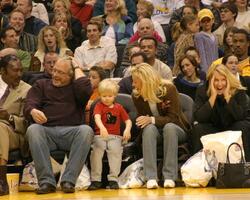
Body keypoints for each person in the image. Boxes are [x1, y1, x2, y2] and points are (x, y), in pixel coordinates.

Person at [24, 56, 94, 194]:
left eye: (61, 73)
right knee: (33, 129)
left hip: (71, 133)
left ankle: (68, 180)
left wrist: (76, 66)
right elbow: (29, 103)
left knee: (86, 130)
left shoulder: (77, 88)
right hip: (46, 132)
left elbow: (86, 90)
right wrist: (33, 111)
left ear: (71, 75)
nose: (55, 75)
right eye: (54, 71)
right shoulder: (41, 84)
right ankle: (46, 182)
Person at [131, 63, 190, 189]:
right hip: (156, 132)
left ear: (145, 80)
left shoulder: (168, 89)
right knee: (149, 128)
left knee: (169, 127)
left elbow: (173, 118)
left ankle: (169, 177)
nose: (133, 85)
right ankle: (151, 177)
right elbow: (144, 120)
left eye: (136, 82)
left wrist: (151, 119)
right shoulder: (137, 95)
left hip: (176, 129)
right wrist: (143, 121)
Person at [192, 64, 250, 161]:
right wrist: (213, 97)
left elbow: (241, 116)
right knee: (198, 129)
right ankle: (199, 166)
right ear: (210, 80)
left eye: (223, 80)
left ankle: (246, 165)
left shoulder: (237, 89)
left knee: (244, 126)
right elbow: (199, 117)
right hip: (212, 126)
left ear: (228, 79)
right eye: (216, 80)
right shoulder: (202, 90)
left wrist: (227, 96)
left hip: (232, 126)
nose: (220, 84)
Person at [88, 79, 132, 190]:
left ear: (115, 96)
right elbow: (97, 117)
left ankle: (113, 179)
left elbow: (128, 121)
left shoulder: (119, 107)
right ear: (100, 95)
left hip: (115, 137)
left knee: (115, 152)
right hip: (100, 136)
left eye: (109, 96)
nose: (106, 99)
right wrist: (102, 128)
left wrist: (127, 130)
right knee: (97, 151)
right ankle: (96, 179)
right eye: (104, 96)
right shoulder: (99, 106)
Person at [0, 54, 31, 196]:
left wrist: (9, 117)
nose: (19, 74)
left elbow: (27, 123)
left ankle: (1, 179)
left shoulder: (27, 90)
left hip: (14, 132)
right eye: (14, 70)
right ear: (3, 71)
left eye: (21, 70)